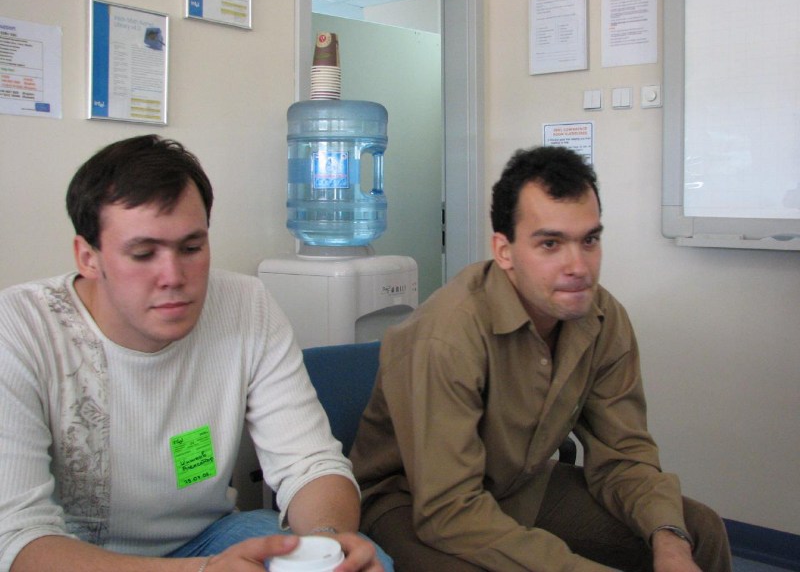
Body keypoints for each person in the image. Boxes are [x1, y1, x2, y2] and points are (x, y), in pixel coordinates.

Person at [0, 135, 391, 572]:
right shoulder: (19, 327)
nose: (173, 276)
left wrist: (325, 547)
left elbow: (310, 462)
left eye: (191, 248)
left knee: (366, 561)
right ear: (88, 257)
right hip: (76, 555)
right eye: (143, 254)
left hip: (206, 537)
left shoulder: (245, 304)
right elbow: (16, 539)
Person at [349, 146, 732, 572]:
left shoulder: (603, 318)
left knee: (697, 530)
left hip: (516, 485)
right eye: (550, 244)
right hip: (413, 503)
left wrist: (671, 542)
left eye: (589, 240)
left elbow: (623, 457)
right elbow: (448, 511)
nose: (578, 266)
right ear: (504, 250)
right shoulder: (447, 336)